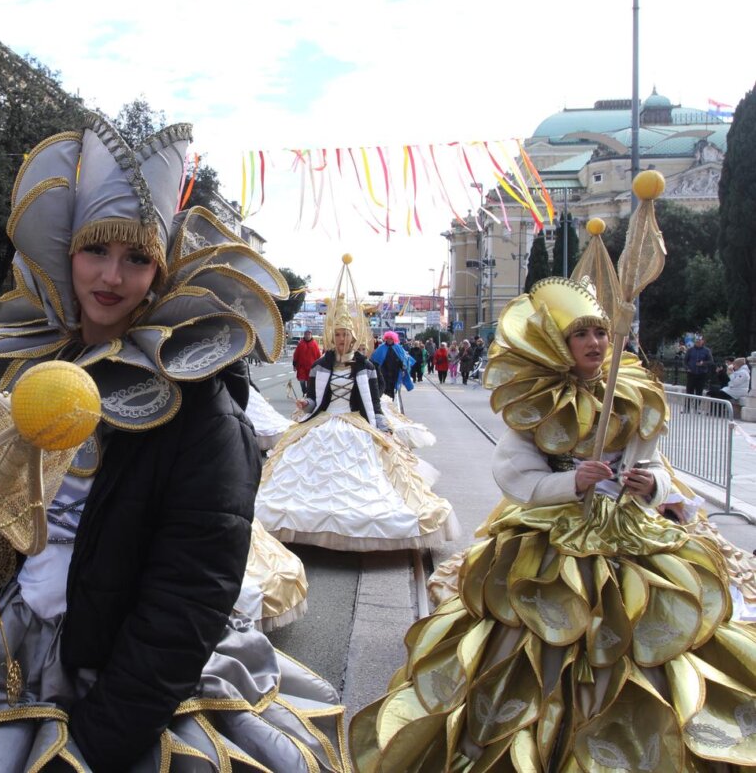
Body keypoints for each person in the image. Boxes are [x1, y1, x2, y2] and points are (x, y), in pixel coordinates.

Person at [0, 119, 345, 771]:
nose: (112, 277)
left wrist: (102, 735)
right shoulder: (33, 361)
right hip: (4, 661)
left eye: (137, 258)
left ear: (162, 267)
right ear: (67, 253)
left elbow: (189, 592)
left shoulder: (200, 407)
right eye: (96, 252)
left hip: (124, 685)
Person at [351, 277, 756, 769]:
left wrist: (652, 489)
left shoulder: (631, 393)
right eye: (581, 335)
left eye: (601, 334)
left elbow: (652, 464)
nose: (594, 344)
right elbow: (515, 476)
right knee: (544, 637)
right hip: (555, 539)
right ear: (560, 345)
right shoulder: (536, 400)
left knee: (647, 633)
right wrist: (575, 483)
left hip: (632, 535)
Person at [254, 288, 457, 552]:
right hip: (323, 422)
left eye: (345, 335)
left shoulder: (367, 368)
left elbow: (373, 405)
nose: (340, 339)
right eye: (337, 334)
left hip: (355, 423)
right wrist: (306, 404)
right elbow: (316, 401)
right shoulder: (320, 366)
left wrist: (384, 429)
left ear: (353, 337)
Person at [370, 329, 414, 399]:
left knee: (392, 388)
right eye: (388, 338)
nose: (389, 340)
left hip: (394, 372)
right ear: (386, 339)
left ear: (394, 339)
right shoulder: (381, 348)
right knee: (383, 387)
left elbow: (403, 359)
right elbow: (374, 359)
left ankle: (390, 402)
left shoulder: (398, 348)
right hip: (383, 372)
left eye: (391, 338)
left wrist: (403, 367)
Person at [684, 334, 713, 411]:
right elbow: (685, 361)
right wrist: (687, 368)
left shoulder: (707, 351)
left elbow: (710, 362)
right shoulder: (690, 350)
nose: (698, 342)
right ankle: (687, 407)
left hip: (701, 374)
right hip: (691, 373)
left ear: (703, 341)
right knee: (689, 390)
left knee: (699, 391)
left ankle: (697, 408)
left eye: (699, 341)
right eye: (696, 341)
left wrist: (703, 363)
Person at [292, 327, 322, 399]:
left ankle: (308, 394)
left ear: (311, 335)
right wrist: (294, 364)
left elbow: (318, 355)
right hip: (301, 366)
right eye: (306, 334)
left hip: (311, 367)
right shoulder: (300, 344)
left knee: (310, 382)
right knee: (301, 380)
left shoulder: (314, 344)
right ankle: (304, 392)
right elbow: (296, 354)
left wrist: (319, 366)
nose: (307, 335)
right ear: (304, 335)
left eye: (309, 334)